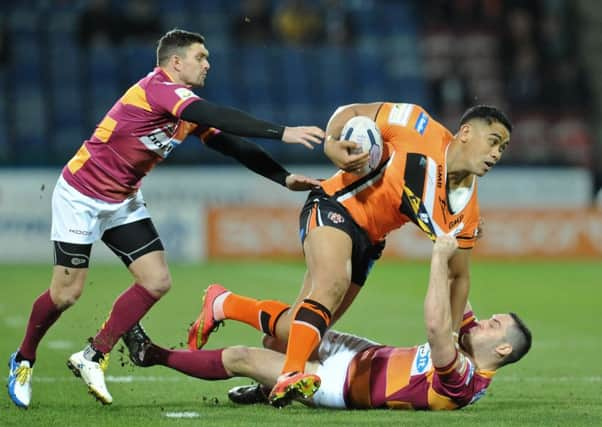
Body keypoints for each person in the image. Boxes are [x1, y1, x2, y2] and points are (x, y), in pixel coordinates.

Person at [6, 28, 324, 408]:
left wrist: (283, 177)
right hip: (80, 196)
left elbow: (232, 143)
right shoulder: (159, 90)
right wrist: (284, 132)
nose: (207, 64)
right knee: (66, 293)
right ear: (176, 62)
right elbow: (217, 113)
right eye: (200, 57)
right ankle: (23, 359)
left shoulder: (184, 108)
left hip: (122, 200)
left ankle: (94, 354)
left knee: (156, 281)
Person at [187, 101, 512, 405]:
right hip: (333, 204)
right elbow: (351, 110)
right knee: (332, 284)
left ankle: (222, 303)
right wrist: (331, 144)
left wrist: (452, 336)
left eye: (503, 148)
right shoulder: (417, 124)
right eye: (493, 141)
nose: (496, 153)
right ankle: (290, 374)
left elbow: (458, 276)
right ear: (466, 132)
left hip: (369, 243)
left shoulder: (465, 212)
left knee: (296, 333)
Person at [122, 236, 532, 410]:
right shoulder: (469, 350)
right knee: (283, 333)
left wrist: (438, 258)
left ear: (502, 350)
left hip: (338, 384)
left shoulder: (462, 380)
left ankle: (152, 354)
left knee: (241, 356)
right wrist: (454, 239)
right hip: (362, 353)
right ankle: (224, 304)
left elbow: (434, 326)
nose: (484, 322)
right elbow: (457, 291)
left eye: (494, 325)